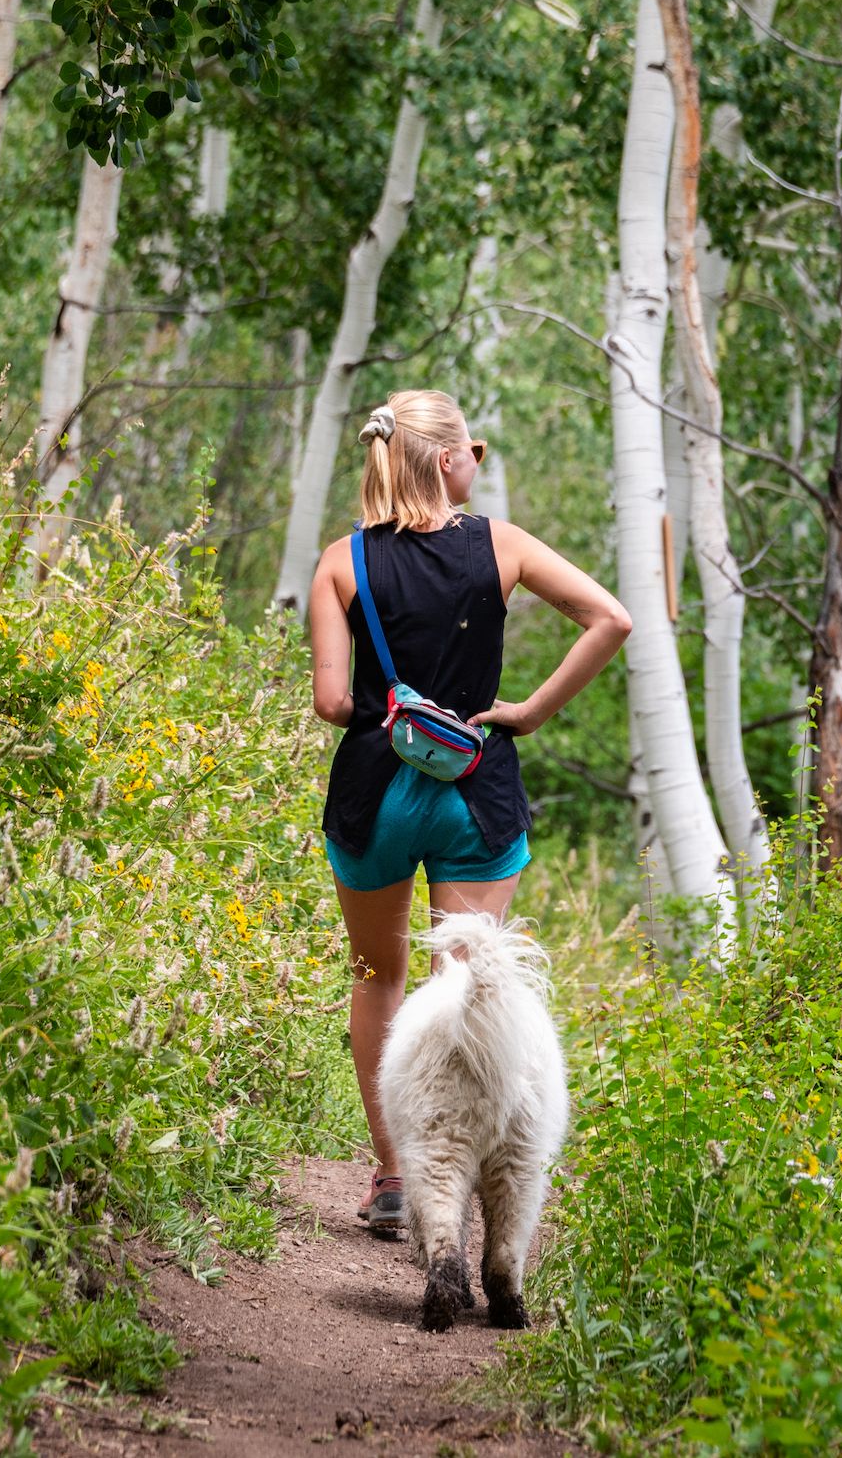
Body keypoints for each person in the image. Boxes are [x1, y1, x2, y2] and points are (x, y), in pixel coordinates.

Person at [307, 389, 630, 1238]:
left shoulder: (341, 562)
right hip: (474, 788)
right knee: (469, 988)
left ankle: (391, 1176)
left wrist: (383, 706)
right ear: (450, 461)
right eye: (472, 454)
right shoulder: (504, 546)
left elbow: (332, 701)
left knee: (379, 977)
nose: (476, 465)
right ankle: (470, 1181)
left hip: (374, 794)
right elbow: (612, 618)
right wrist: (527, 710)